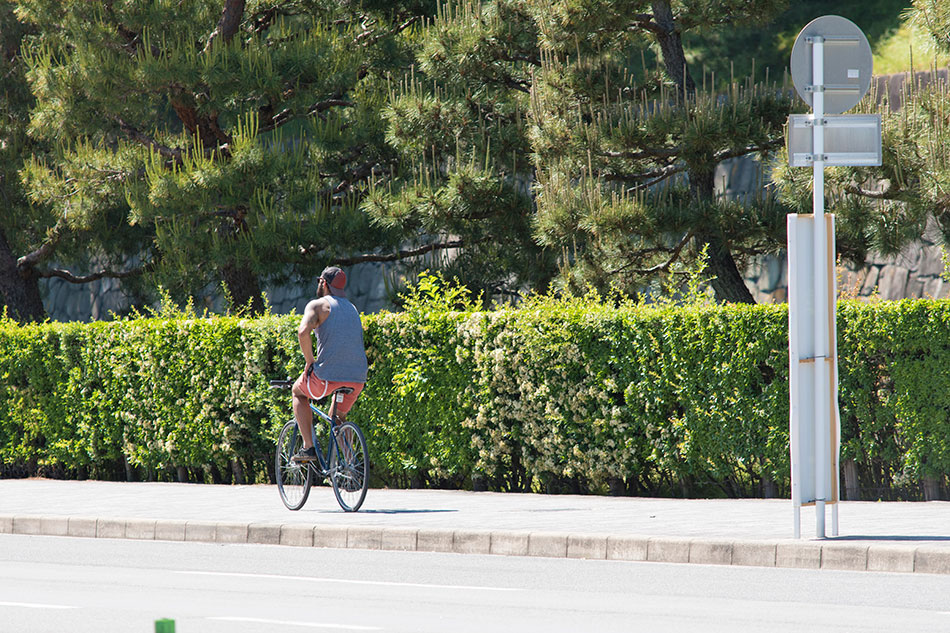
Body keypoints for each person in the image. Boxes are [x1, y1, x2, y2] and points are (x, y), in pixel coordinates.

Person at [291, 266, 368, 462]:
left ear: (323, 283)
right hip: (357, 379)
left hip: (326, 378)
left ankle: (308, 448)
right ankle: (350, 464)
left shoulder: (317, 305)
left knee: (297, 392)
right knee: (337, 417)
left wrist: (310, 362)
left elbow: (302, 332)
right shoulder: (353, 308)